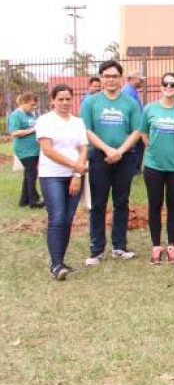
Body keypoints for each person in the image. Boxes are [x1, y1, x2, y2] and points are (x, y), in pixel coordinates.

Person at [82, 60, 141, 265]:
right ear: (100, 78)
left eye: (115, 76)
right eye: (107, 76)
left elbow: (136, 131)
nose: (111, 80)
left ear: (120, 78)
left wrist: (120, 151)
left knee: (121, 202)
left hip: (125, 157)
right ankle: (96, 249)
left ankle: (119, 247)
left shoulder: (130, 103)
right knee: (98, 204)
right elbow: (87, 131)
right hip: (99, 156)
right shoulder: (91, 102)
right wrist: (107, 149)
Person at [36, 85, 88, 280]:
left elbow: (83, 149)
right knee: (57, 217)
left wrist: (76, 173)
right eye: (61, 99)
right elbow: (48, 150)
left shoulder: (78, 122)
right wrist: (74, 165)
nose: (65, 103)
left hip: (74, 175)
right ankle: (56, 265)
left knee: (67, 219)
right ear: (53, 100)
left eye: (68, 99)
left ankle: (61, 261)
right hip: (52, 175)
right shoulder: (45, 121)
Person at [139, 72, 174, 264]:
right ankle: (156, 246)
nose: (169, 87)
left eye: (172, 84)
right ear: (161, 86)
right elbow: (143, 132)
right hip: (154, 166)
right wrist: (151, 148)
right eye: (165, 83)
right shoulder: (150, 109)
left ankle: (172, 246)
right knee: (155, 205)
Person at [9, 92, 43, 208]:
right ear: (24, 102)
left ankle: (24, 201)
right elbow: (14, 132)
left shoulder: (30, 114)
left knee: (29, 173)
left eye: (35, 105)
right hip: (24, 150)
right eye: (32, 104)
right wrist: (32, 130)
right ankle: (34, 201)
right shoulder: (16, 115)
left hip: (34, 149)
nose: (33, 107)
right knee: (31, 173)